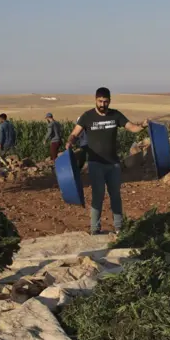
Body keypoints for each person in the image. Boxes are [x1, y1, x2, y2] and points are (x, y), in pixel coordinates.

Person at [65, 87, 148, 235]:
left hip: (113, 164)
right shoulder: (87, 116)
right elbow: (75, 133)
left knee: (115, 195)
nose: (102, 104)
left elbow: (132, 128)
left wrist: (143, 125)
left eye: (105, 101)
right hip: (95, 163)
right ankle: (95, 229)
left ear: (109, 101)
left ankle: (119, 228)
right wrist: (70, 142)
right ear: (95, 100)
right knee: (98, 195)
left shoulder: (115, 115)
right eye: (100, 101)